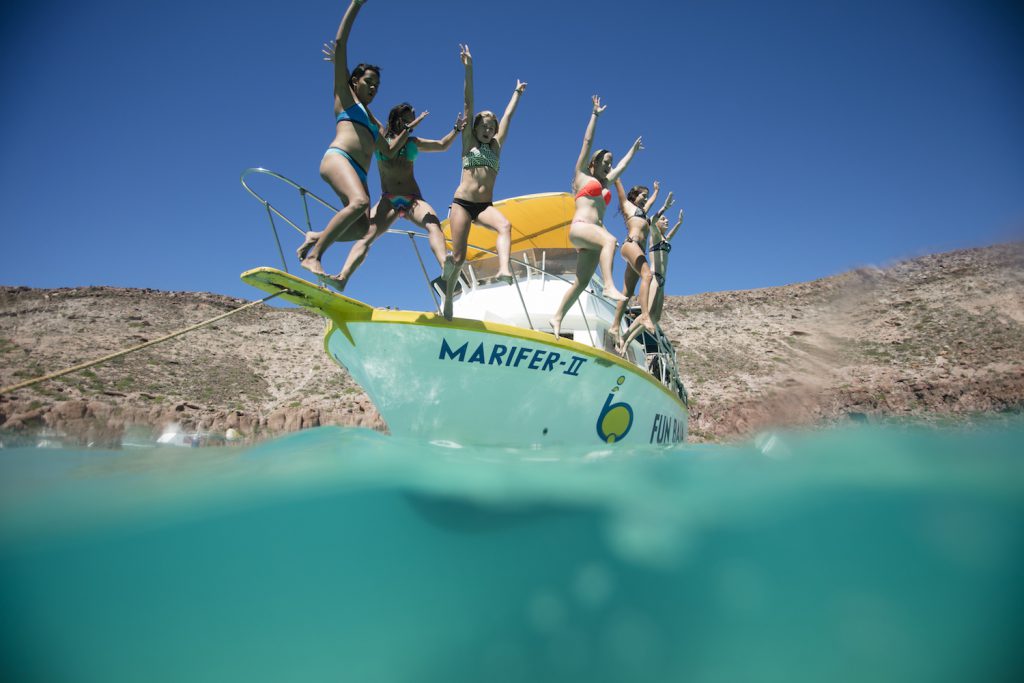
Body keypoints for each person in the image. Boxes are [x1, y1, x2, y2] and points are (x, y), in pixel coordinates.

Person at [296, 0, 384, 291]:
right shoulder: (345, 98)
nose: (372, 88)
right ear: (355, 81)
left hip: (360, 172)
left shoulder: (375, 122)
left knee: (363, 227)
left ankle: (315, 237)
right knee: (358, 203)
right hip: (339, 158)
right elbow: (341, 43)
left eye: (376, 86)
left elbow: (392, 149)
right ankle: (315, 256)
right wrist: (356, 5)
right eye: (368, 82)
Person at [441, 43, 526, 320]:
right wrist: (469, 68)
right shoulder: (468, 144)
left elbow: (510, 116)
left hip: (484, 205)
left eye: (492, 127)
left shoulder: (496, 148)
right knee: (459, 257)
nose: (488, 130)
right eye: (484, 126)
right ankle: (450, 296)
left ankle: (503, 269)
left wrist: (516, 93)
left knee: (505, 225)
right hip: (463, 204)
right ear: (475, 128)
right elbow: (468, 103)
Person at [548, 96, 641, 339]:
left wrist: (632, 151)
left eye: (610, 163)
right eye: (606, 162)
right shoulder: (581, 177)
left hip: (591, 237)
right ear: (594, 163)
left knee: (581, 283)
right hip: (580, 228)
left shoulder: (605, 182)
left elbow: (621, 167)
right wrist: (595, 115)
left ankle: (557, 317)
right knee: (609, 240)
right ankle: (609, 286)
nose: (609, 167)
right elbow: (587, 141)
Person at [618, 205, 685, 353]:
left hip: (663, 280)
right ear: (657, 223)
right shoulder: (654, 234)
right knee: (645, 314)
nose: (666, 221)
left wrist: (679, 223)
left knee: (655, 318)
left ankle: (629, 339)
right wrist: (665, 207)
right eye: (664, 219)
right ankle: (625, 337)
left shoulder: (664, 238)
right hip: (654, 277)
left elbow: (670, 235)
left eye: (667, 219)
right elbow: (653, 220)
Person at [608, 179, 667, 343]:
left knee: (626, 294)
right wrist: (616, 174)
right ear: (635, 195)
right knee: (647, 276)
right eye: (643, 196)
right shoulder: (627, 206)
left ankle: (614, 327)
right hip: (630, 245)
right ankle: (645, 316)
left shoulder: (643, 212)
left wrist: (656, 191)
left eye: (647, 197)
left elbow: (651, 203)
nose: (646, 200)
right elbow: (618, 183)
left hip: (638, 252)